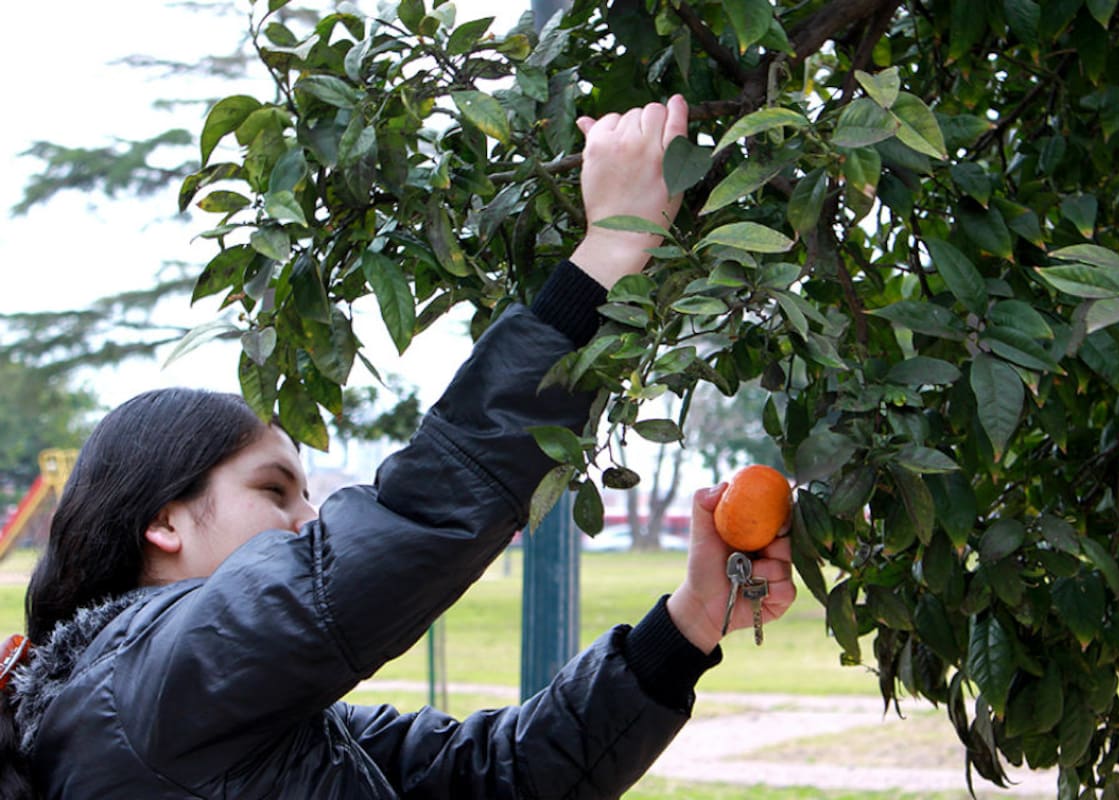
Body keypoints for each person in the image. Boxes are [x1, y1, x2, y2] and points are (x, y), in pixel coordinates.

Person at [0, 94, 796, 799]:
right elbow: (417, 514)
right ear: (164, 522)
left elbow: (505, 775)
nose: (311, 517)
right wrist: (605, 258)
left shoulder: (213, 709)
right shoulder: (158, 684)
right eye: (275, 491)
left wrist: (690, 622)